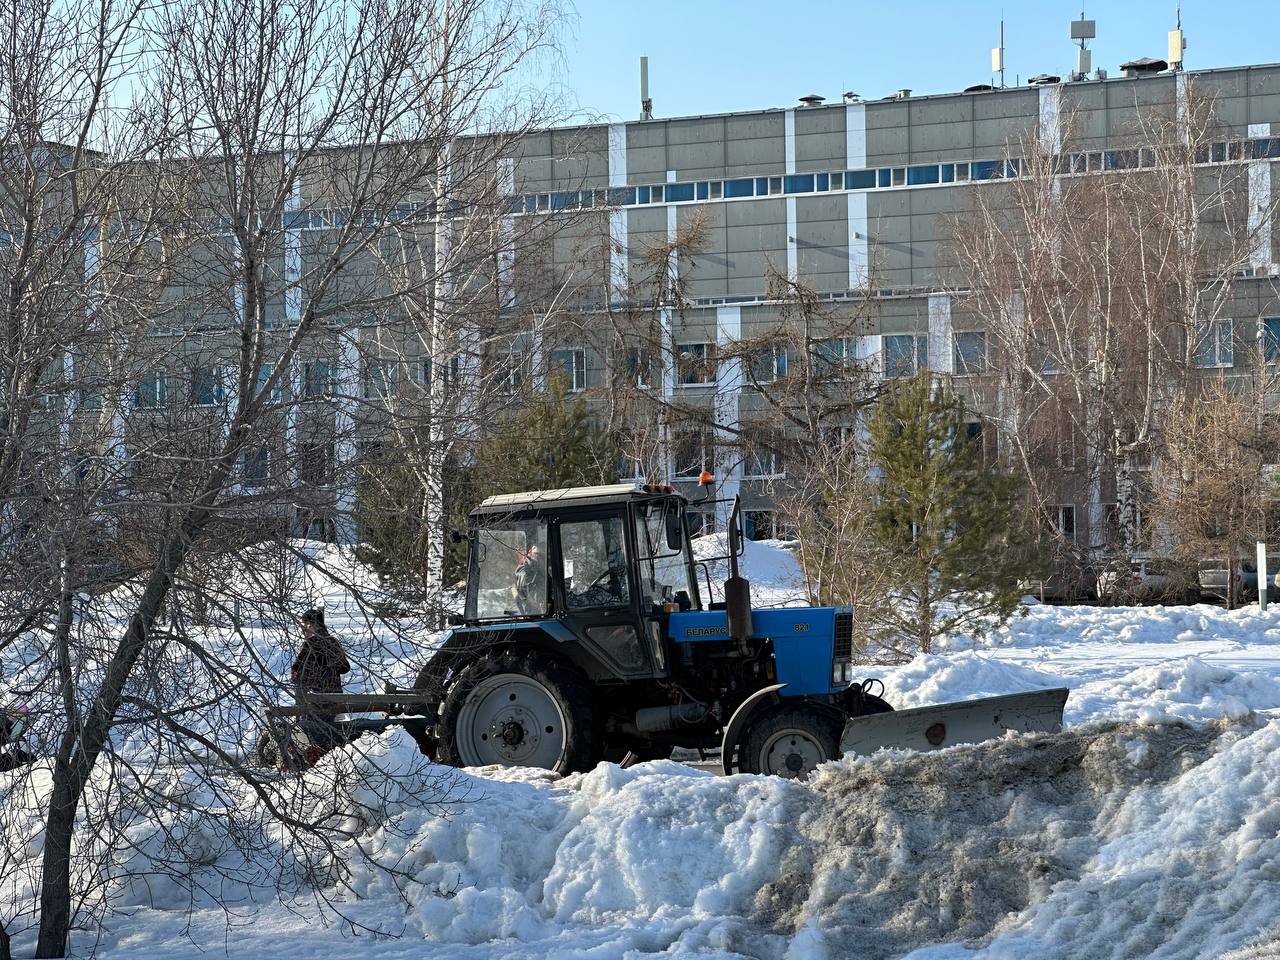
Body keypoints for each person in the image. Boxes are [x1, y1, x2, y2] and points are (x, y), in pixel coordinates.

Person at [291, 607, 350, 697]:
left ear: (310, 624)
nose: (303, 629)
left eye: (304, 625)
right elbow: (345, 667)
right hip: (336, 695)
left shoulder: (310, 644)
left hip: (315, 697)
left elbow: (296, 669)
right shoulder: (333, 642)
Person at [513, 542, 545, 614]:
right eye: (537, 555)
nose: (540, 559)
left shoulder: (540, 570)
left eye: (543, 556)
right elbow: (527, 595)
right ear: (530, 553)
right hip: (531, 614)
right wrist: (538, 603)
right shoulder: (524, 571)